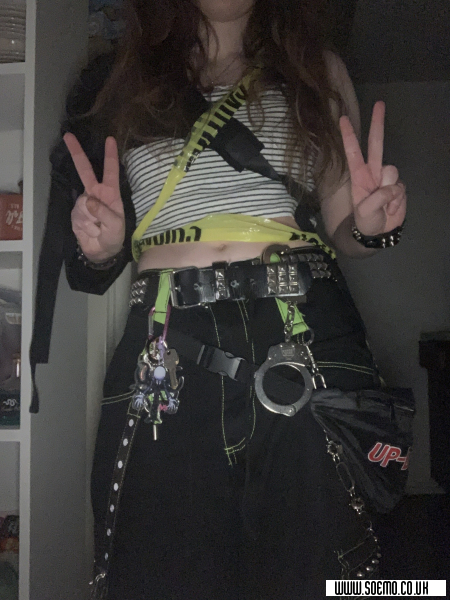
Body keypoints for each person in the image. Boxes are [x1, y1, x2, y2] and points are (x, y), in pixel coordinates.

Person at [40, 0, 407, 598]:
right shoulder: (121, 77)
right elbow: (96, 249)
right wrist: (102, 245)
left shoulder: (318, 69)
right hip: (166, 341)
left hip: (303, 330)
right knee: (157, 573)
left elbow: (348, 228)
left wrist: (371, 227)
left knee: (326, 575)